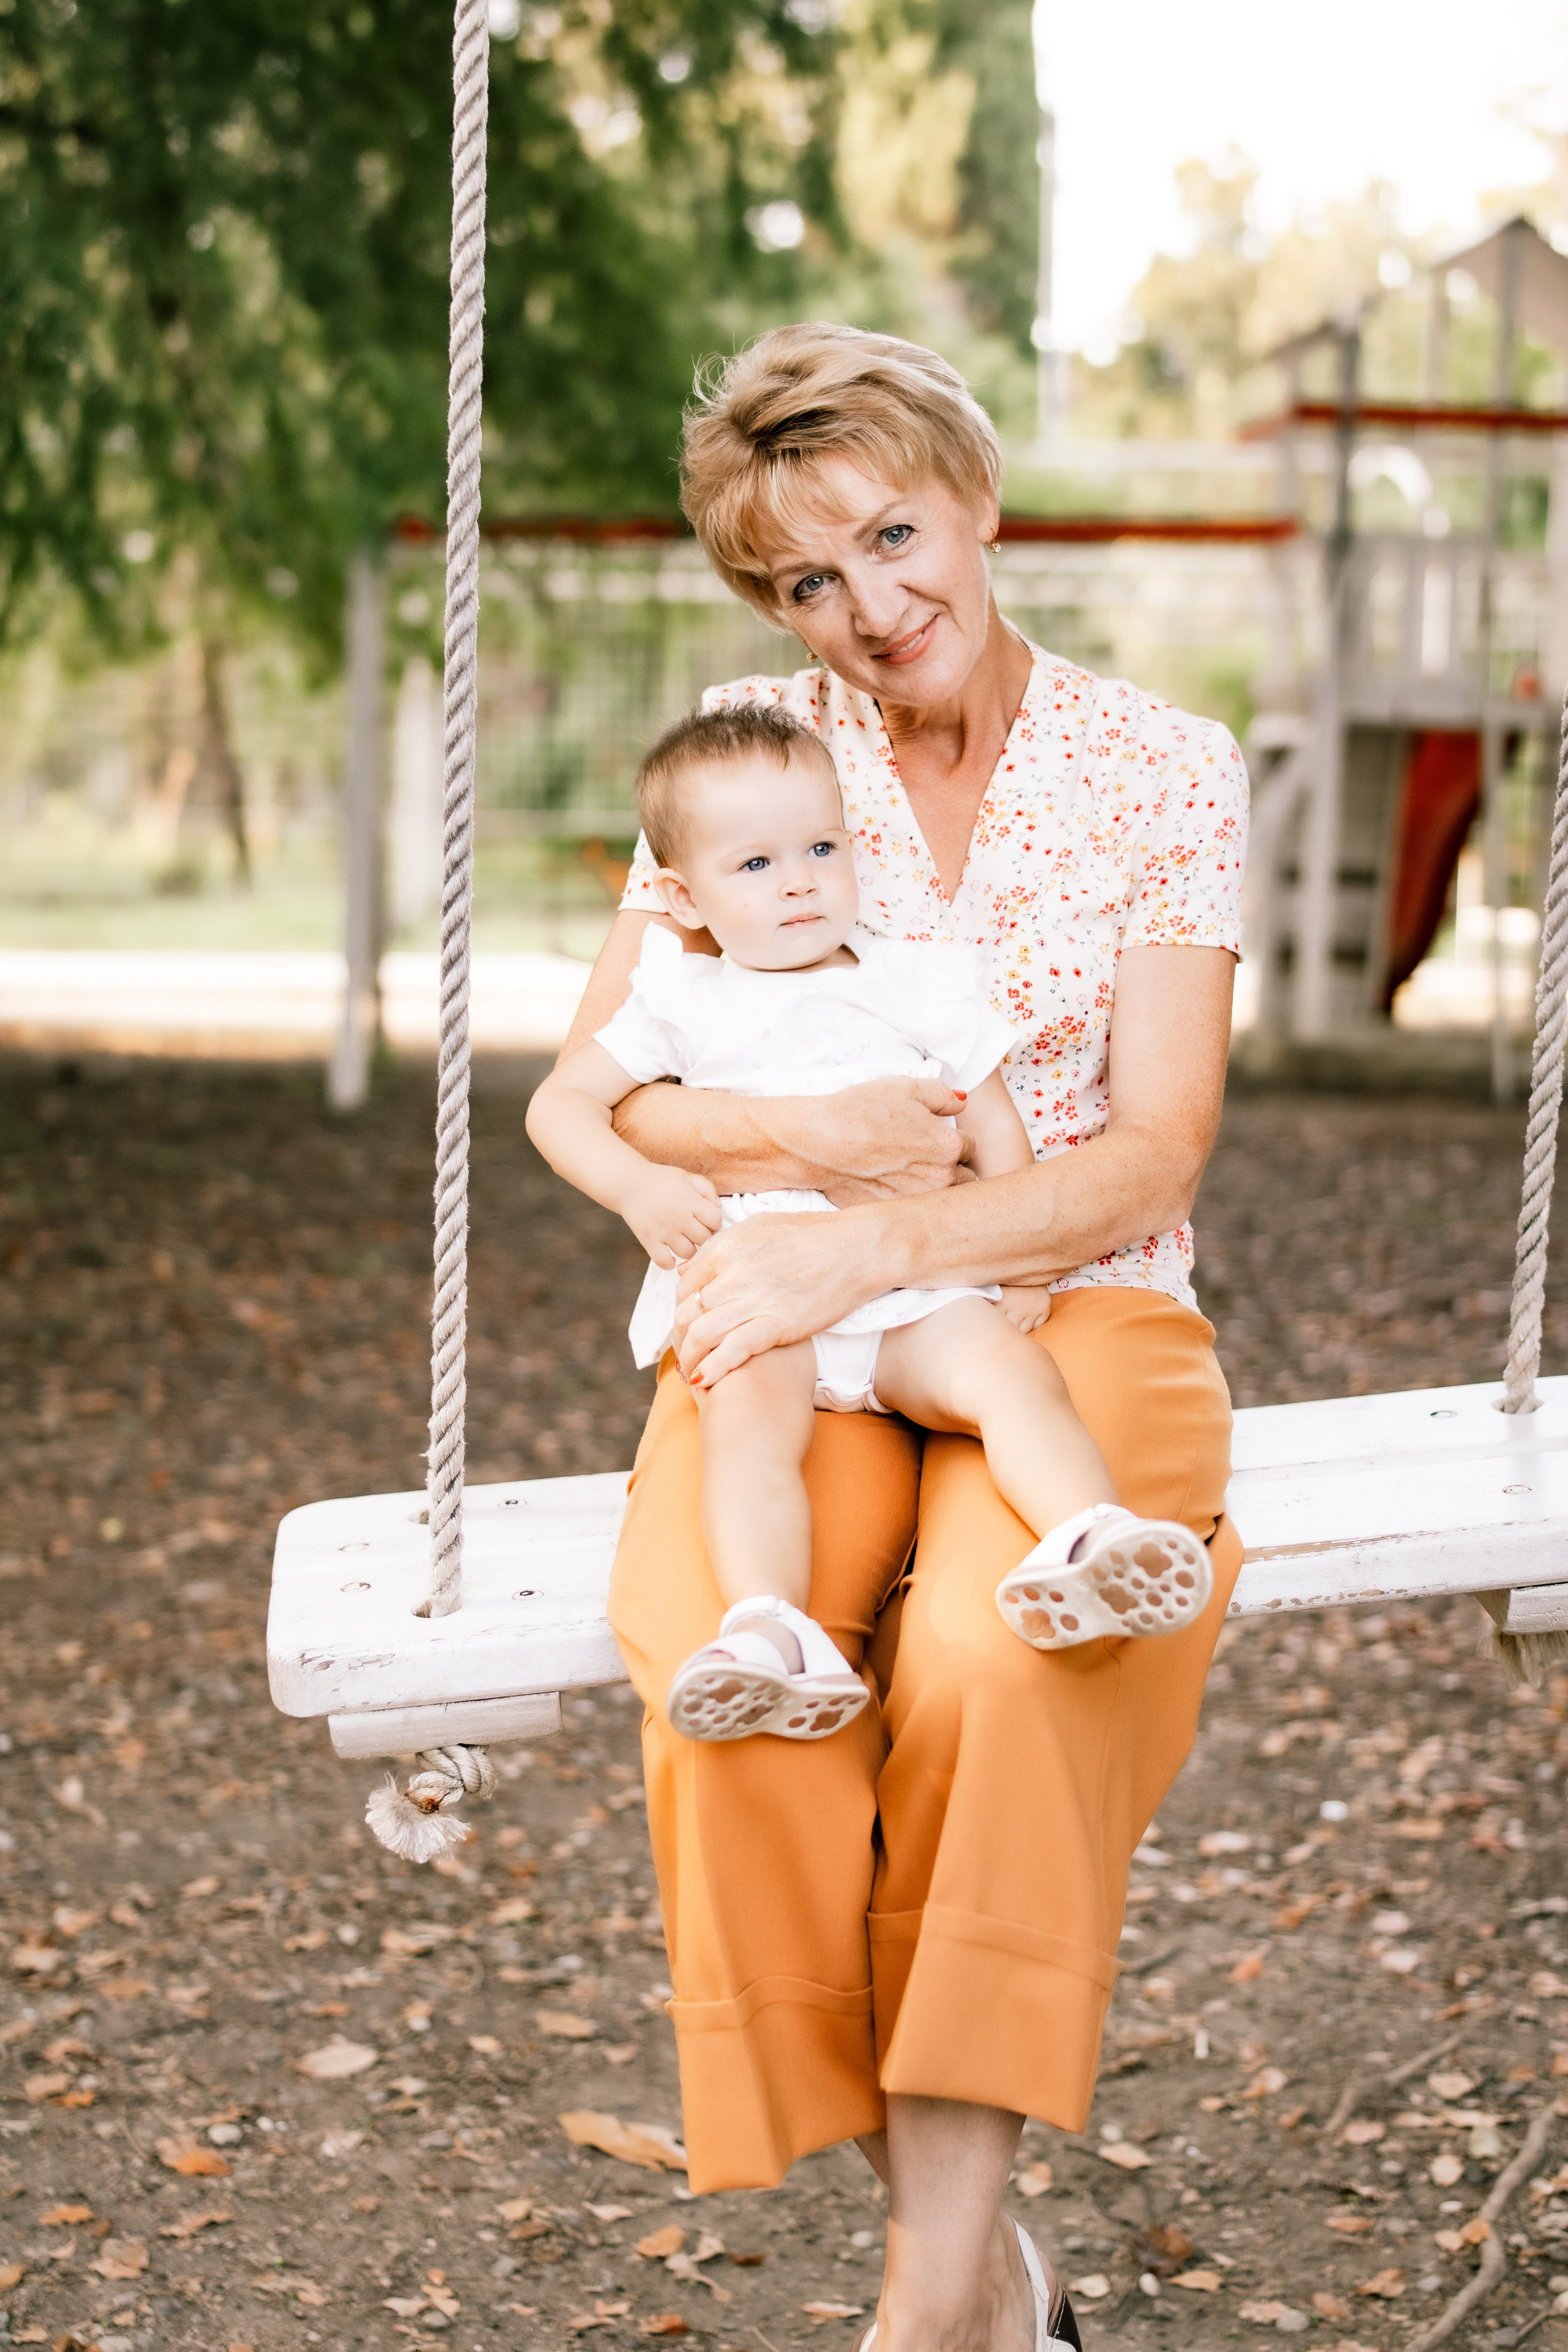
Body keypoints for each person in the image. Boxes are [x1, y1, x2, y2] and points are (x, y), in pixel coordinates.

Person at [553, 320, 1247, 2352]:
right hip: (785, 1302)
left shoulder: (1157, 768)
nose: (869, 609)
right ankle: (976, 2286)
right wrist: (810, 1155)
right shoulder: (751, 753)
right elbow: (622, 1087)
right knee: (736, 1670)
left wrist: (903, 1239)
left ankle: (934, 2308)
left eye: (891, 535)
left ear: (974, 494)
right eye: (807, 579)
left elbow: (1151, 1147)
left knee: (1005, 1660)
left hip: (1074, 1300)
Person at [528, 704, 1215, 1751]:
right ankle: (769, 1630)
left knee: (1008, 1377)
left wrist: (1019, 1261)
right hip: (766, 1292)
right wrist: (634, 1188)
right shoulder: (679, 998)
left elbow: (992, 1120)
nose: (800, 880)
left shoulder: (909, 980)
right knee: (749, 1436)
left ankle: (1089, 1535)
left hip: (914, 1296)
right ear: (680, 896)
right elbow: (560, 1107)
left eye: (820, 848)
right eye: (754, 864)